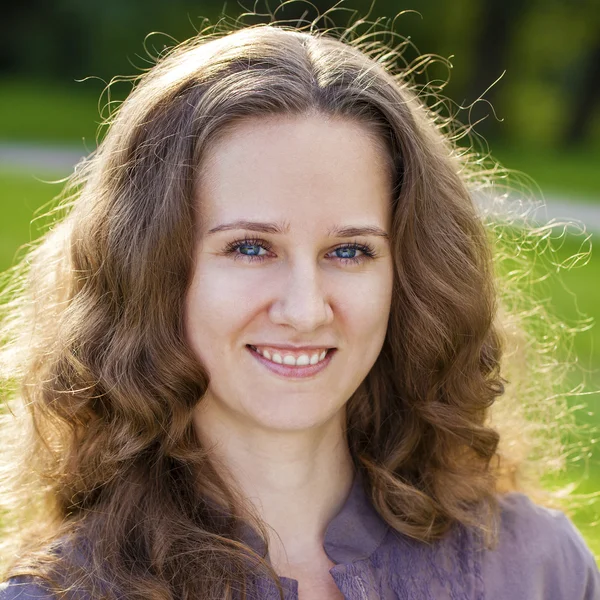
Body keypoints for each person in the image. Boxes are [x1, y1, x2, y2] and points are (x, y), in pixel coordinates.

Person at [0, 12, 598, 600]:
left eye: (349, 251)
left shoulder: (541, 570)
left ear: (409, 275)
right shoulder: (64, 594)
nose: (306, 310)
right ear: (150, 268)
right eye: (252, 247)